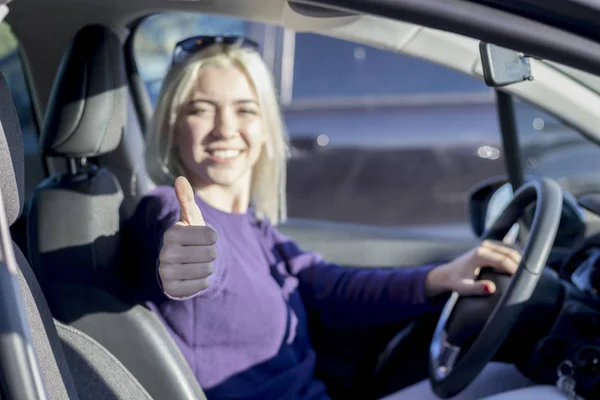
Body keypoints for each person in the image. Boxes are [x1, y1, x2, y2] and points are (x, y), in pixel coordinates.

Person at [124, 35, 570, 400]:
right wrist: (188, 267)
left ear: (264, 128)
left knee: (511, 378)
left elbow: (328, 286)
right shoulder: (170, 211)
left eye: (245, 109)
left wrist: (441, 277)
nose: (225, 128)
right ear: (170, 125)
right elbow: (195, 264)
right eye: (200, 109)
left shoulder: (255, 227)